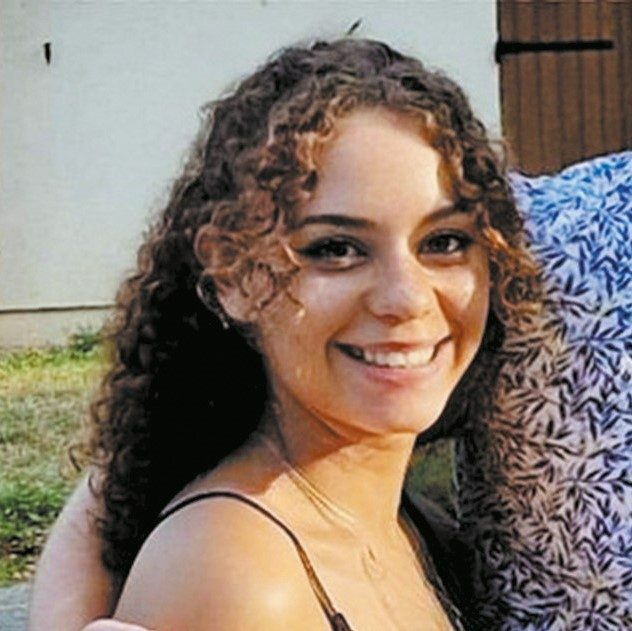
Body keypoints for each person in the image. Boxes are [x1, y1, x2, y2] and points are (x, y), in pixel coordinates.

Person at [28, 38, 538, 631]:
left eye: (444, 241)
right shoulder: (237, 575)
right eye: (336, 249)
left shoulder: (418, 530)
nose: (406, 298)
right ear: (231, 274)